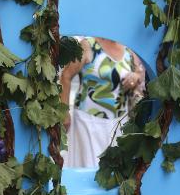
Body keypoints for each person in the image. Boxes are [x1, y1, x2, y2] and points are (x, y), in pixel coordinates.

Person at [60, 37, 145, 168]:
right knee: (89, 171)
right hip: (88, 123)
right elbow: (66, 75)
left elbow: (139, 75)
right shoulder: (88, 45)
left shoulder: (128, 49)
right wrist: (64, 112)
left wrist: (136, 77)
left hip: (119, 124)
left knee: (115, 174)